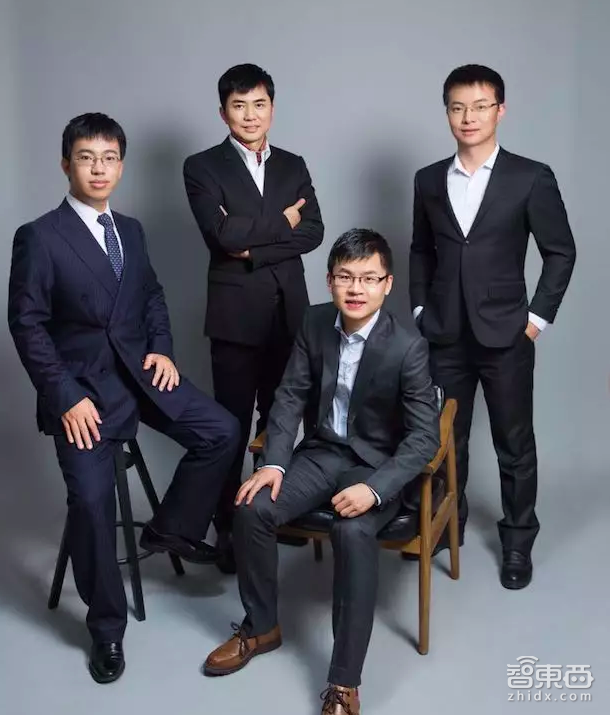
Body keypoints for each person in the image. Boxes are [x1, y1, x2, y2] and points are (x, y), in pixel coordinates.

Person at [8, 113, 239, 683]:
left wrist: (162, 349)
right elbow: (27, 325)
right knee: (91, 503)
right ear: (66, 164)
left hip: (140, 373)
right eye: (87, 158)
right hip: (81, 392)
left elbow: (151, 295)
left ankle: (170, 529)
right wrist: (64, 397)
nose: (99, 169)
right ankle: (106, 629)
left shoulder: (130, 230)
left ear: (121, 165)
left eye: (109, 158)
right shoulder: (40, 236)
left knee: (222, 430)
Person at [203, 230, 439, 715]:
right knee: (252, 507)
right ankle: (262, 626)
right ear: (330, 281)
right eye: (346, 277)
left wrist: (375, 490)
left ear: (387, 284)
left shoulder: (408, 346)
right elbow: (289, 395)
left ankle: (344, 681)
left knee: (352, 532)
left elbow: (423, 438)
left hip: (375, 465)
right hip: (321, 454)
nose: (356, 289)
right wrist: (273, 463)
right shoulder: (313, 322)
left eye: (368, 278)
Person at [409, 64, 576, 589]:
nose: (469, 117)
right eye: (458, 107)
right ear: (447, 113)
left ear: (500, 110)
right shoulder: (428, 179)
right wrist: (420, 311)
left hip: (507, 334)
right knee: (444, 440)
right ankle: (447, 524)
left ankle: (518, 541)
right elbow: (420, 249)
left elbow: (560, 251)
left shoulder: (530, 177)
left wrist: (536, 320)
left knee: (514, 442)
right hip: (444, 334)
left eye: (480, 107)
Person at [183, 64, 324, 573]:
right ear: (223, 112)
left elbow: (314, 231)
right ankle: (228, 527)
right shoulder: (202, 167)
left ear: (272, 108)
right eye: (239, 106)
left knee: (282, 420)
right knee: (232, 426)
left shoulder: (293, 164)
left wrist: (252, 244)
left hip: (290, 315)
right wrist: (282, 223)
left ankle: (270, 516)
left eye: (259, 104)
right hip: (235, 319)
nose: (250, 115)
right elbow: (222, 237)